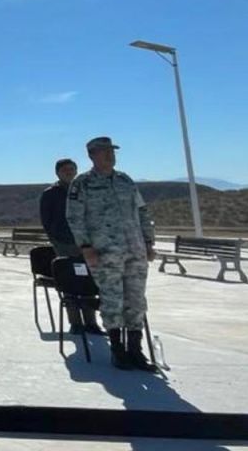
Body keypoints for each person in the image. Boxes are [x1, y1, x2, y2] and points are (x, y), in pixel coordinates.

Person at [67, 137, 158, 372]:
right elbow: (75, 217)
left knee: (136, 302)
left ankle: (136, 352)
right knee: (113, 302)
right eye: (104, 152)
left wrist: (149, 241)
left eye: (112, 151)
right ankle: (118, 351)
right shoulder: (83, 183)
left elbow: (141, 211)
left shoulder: (125, 181)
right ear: (92, 155)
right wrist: (85, 247)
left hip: (135, 250)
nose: (110, 155)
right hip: (105, 253)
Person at [39, 158, 104, 335]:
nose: (69, 172)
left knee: (88, 283)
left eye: (72, 169)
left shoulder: (83, 189)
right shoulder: (51, 194)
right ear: (58, 173)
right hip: (65, 245)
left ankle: (91, 322)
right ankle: (75, 322)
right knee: (70, 284)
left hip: (87, 245)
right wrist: (58, 240)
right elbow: (47, 221)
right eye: (65, 170)